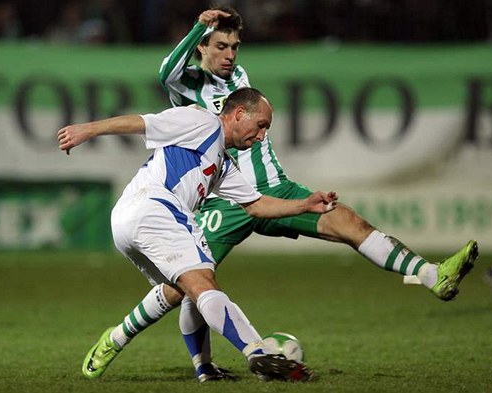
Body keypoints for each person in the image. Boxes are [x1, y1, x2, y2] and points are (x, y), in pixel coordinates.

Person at [74, 6, 479, 383]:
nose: (230, 54)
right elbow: (166, 71)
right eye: (220, 46)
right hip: (223, 202)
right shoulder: (190, 89)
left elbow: (250, 144)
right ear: (202, 48)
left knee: (350, 223)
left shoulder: (240, 82)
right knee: (187, 286)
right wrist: (200, 26)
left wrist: (305, 201)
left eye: (234, 46)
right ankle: (170, 355)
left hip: (270, 189)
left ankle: (432, 275)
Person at [58, 87, 334, 382]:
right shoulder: (201, 121)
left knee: (187, 288)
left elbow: (255, 205)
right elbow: (143, 122)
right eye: (261, 125)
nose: (262, 136)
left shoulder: (222, 163)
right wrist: (87, 130)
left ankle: (129, 343)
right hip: (157, 206)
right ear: (239, 114)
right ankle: (257, 352)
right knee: (203, 284)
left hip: (128, 220)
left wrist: (304, 205)